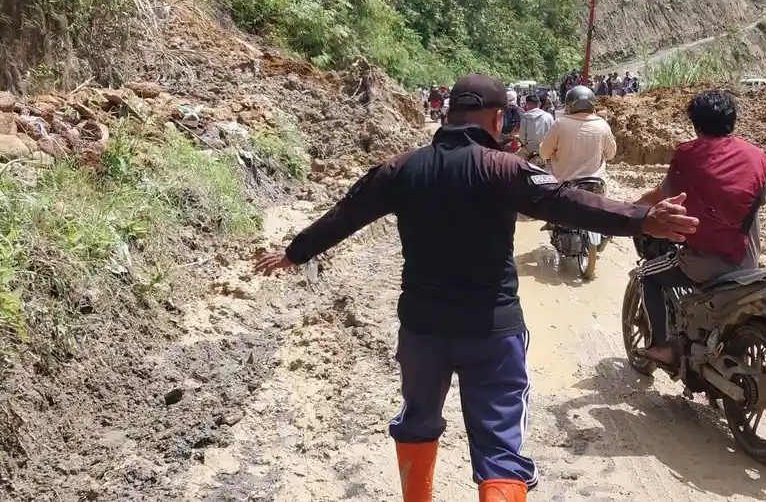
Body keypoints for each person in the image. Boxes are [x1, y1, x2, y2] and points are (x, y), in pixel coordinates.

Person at [254, 74, 698, 502]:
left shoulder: (401, 169)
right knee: (500, 447)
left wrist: (295, 252)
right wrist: (642, 218)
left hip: (422, 329)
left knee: (417, 422)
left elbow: (345, 214)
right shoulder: (504, 168)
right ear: (498, 117)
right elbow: (572, 203)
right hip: (492, 330)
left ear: (448, 114)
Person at [631, 89, 766, 370]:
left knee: (646, 275)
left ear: (695, 124)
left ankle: (661, 347)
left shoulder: (687, 155)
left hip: (707, 261)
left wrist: (631, 209)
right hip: (748, 260)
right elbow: (761, 198)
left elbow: (661, 196)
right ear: (733, 121)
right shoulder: (756, 155)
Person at [539, 85, 616, 189]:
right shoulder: (602, 124)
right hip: (596, 186)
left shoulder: (560, 124)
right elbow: (611, 154)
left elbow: (544, 153)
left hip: (565, 187)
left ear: (569, 104)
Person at [517, 93, 553, 162]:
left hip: (530, 150)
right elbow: (553, 134)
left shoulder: (524, 117)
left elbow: (522, 136)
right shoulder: (549, 116)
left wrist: (525, 144)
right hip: (546, 148)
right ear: (539, 103)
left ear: (527, 105)